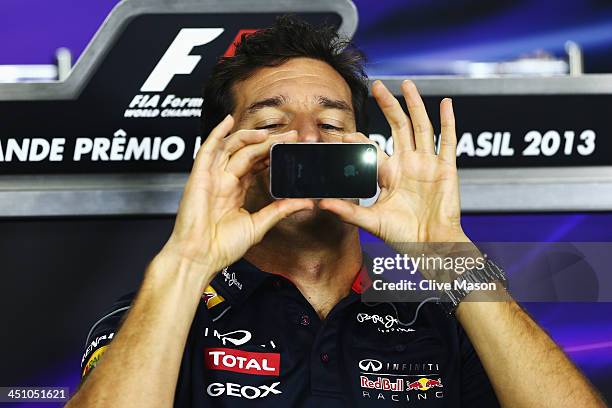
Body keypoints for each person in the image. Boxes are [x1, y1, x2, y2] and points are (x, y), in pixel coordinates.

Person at [66, 16, 606, 407]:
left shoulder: (440, 315)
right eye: (273, 125)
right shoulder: (165, 311)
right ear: (220, 154)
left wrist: (444, 248)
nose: (306, 139)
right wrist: (186, 262)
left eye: (330, 125)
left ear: (364, 150)